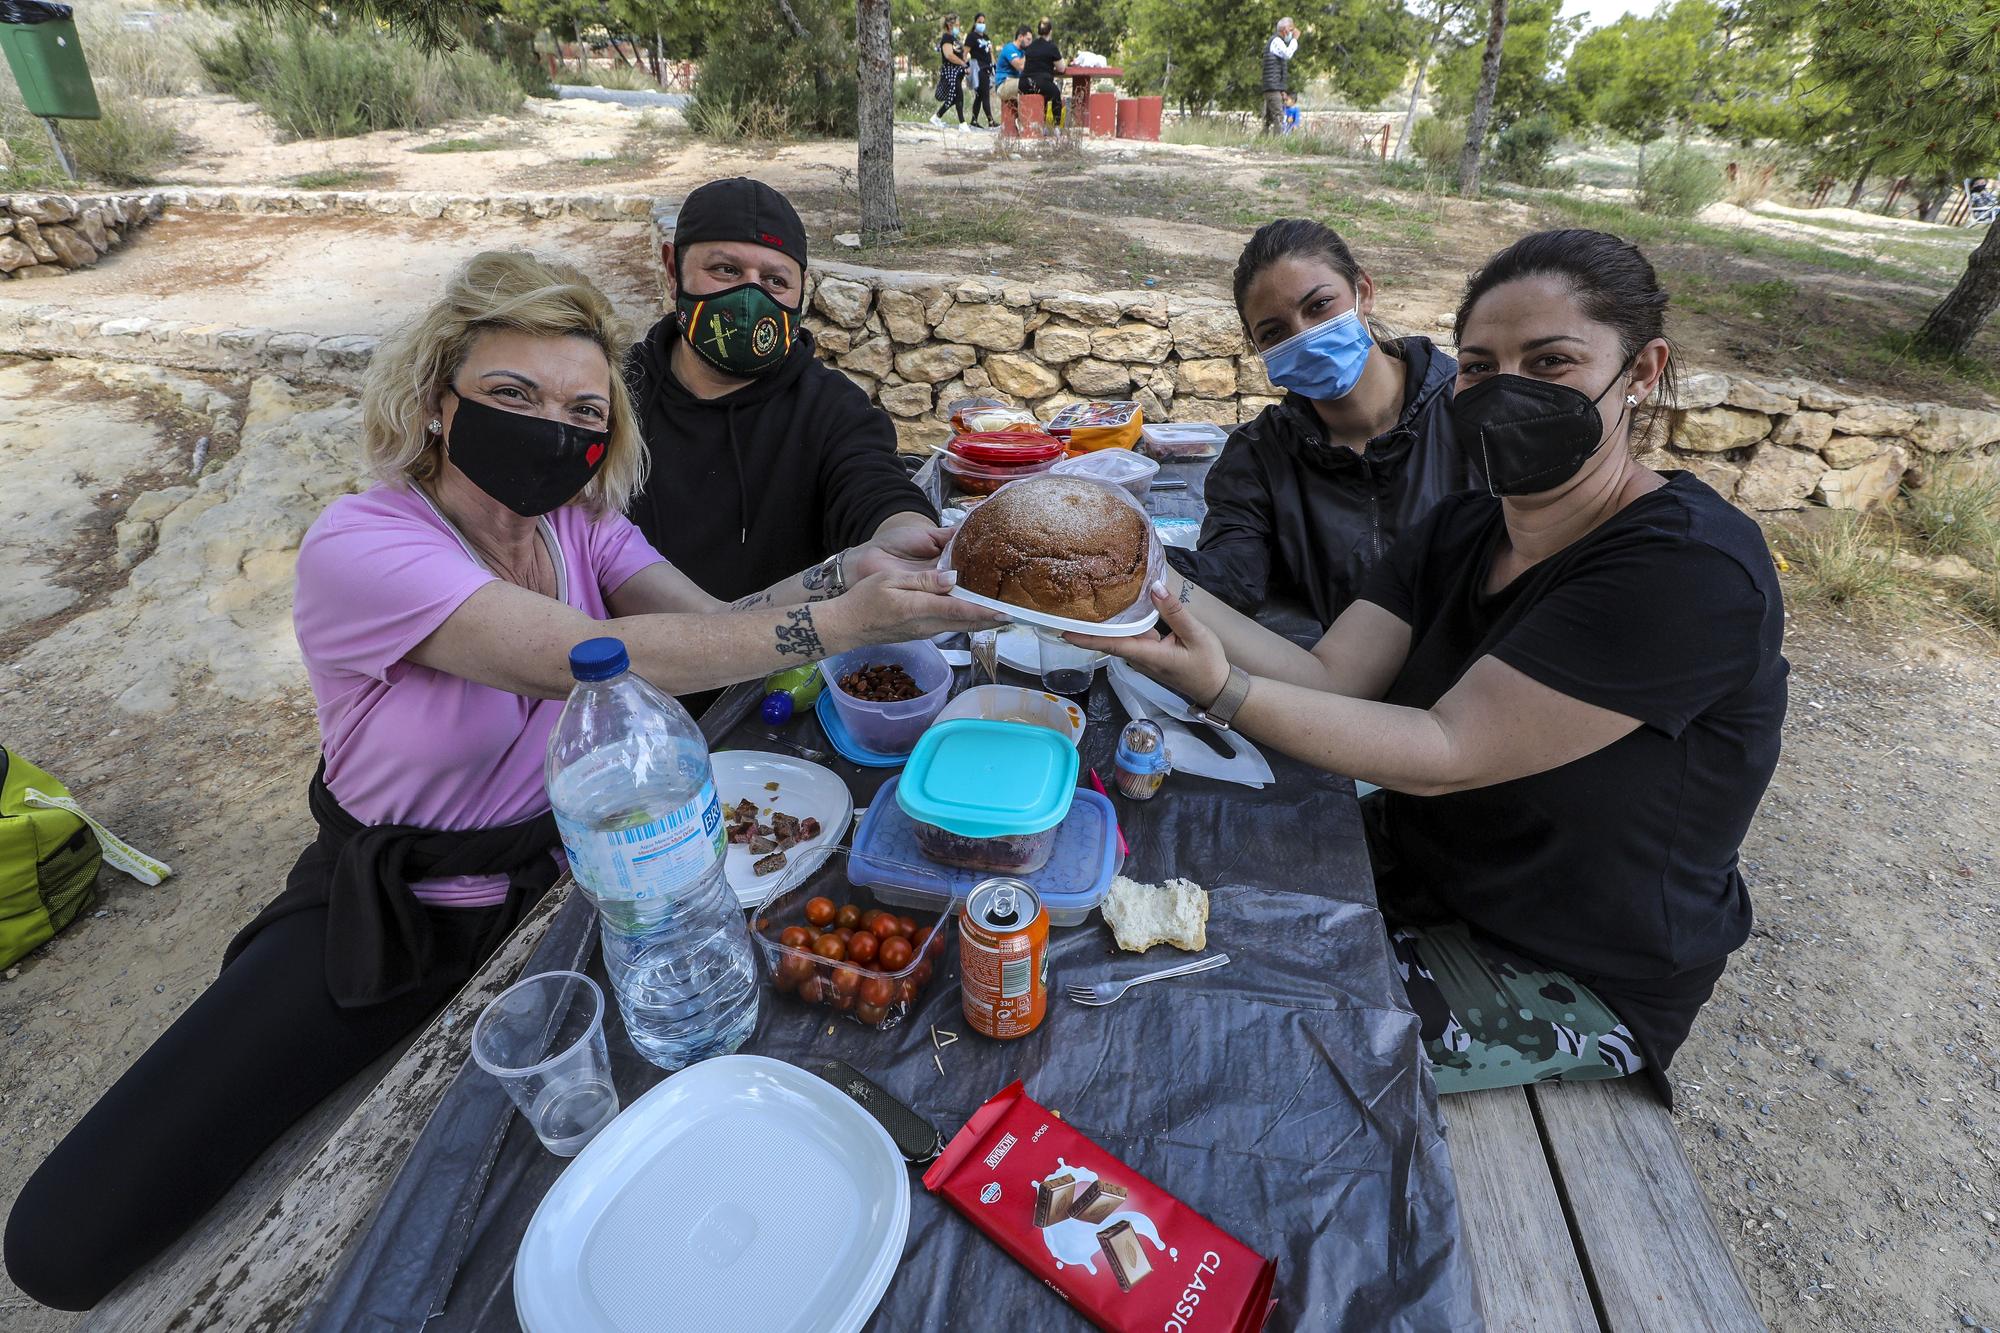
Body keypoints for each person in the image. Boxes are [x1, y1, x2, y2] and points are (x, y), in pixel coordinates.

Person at [1, 252, 1000, 1313]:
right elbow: (587, 655)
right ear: (439, 403)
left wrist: (846, 573)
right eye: (511, 396)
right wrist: (841, 624)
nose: (549, 428)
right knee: (66, 1240)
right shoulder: (367, 543)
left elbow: (713, 626)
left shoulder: (574, 524)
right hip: (403, 904)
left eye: (581, 407)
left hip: (580, 886)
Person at [1080, 229, 1787, 1106]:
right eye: (1483, 366)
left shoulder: (1687, 570)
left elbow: (1445, 748)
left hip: (1565, 960)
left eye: (1553, 360)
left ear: (1641, 371)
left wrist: (1220, 688)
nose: (1508, 390)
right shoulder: (1463, 527)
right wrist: (1144, 580)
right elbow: (1333, 678)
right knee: (1165, 896)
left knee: (1234, 1031)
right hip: (1428, 865)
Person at [626, 178, 937, 607]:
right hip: (625, 663)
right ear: (673, 269)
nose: (751, 298)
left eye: (774, 280)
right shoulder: (612, 394)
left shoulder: (831, 409)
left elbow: (875, 487)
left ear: (801, 291)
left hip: (785, 668)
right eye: (726, 270)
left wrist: (906, 537)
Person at [1164, 218, 1472, 634]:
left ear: (1363, 291)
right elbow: (1234, 575)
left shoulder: (1472, 413)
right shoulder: (1258, 455)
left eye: (1319, 305)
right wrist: (1141, 562)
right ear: (1257, 348)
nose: (1305, 336)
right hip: (1337, 687)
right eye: (1275, 332)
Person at [1018, 17, 1067, 128]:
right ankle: (1057, 127)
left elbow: (1025, 65)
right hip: (1041, 82)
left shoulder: (1030, 47)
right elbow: (1061, 68)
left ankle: (1039, 125)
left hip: (1024, 83)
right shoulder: (1051, 47)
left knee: (1044, 94)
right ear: (1050, 31)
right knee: (1055, 93)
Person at [930, 14, 970, 130]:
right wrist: (962, 63)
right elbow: (948, 55)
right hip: (950, 71)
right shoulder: (946, 38)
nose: (958, 27)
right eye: (957, 25)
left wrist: (965, 64)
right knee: (958, 96)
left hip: (958, 72)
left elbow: (960, 55)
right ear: (949, 25)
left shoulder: (954, 39)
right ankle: (962, 124)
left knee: (954, 97)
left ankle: (937, 117)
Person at [1262, 18, 1298, 135]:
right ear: (1285, 30)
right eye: (1291, 29)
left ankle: (1262, 142)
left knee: (1268, 119)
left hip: (1273, 86)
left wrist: (1282, 89)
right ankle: (1276, 145)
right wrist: (1294, 40)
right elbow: (1287, 54)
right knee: (1279, 116)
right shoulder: (1276, 41)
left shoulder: (1278, 42)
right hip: (1271, 87)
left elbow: (1280, 68)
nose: (1293, 32)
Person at [965, 13, 996, 129]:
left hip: (988, 68)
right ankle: (991, 121)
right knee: (985, 95)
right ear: (975, 23)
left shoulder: (986, 38)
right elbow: (965, 53)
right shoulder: (971, 37)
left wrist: (995, 66)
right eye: (979, 22)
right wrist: (964, 66)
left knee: (979, 96)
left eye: (983, 22)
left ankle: (974, 120)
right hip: (978, 68)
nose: (981, 24)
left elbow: (991, 53)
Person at [996, 25, 1030, 104]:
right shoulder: (1009, 49)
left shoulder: (1023, 52)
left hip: (1015, 82)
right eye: (1028, 39)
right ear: (1020, 37)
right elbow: (1020, 66)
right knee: (1028, 83)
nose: (1030, 43)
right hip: (1003, 85)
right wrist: (1029, 52)